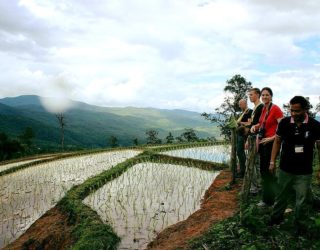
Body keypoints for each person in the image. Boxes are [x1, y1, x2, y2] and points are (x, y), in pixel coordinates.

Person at [269, 96, 320, 227]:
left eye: (297, 111)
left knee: (301, 199)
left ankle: (299, 225)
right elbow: (277, 141)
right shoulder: (284, 123)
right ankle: (275, 219)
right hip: (285, 168)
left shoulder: (314, 125)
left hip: (305, 170)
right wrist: (272, 162)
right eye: (291, 110)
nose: (293, 113)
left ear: (305, 109)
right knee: (281, 195)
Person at [250, 87, 283, 206]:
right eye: (263, 95)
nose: (264, 97)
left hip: (272, 145)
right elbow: (263, 123)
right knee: (264, 172)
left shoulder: (275, 109)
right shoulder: (264, 108)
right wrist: (256, 126)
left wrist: (272, 137)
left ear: (271, 96)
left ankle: (271, 199)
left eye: (267, 95)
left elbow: (283, 127)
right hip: (263, 143)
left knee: (268, 172)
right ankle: (270, 198)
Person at [246, 88, 264, 193]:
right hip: (253, 138)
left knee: (252, 162)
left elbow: (257, 125)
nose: (250, 97)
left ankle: (255, 188)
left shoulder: (260, 107)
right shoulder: (256, 108)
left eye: (251, 94)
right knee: (256, 163)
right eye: (249, 95)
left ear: (258, 95)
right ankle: (258, 186)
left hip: (256, 138)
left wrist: (249, 139)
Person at [236, 99, 252, 177]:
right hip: (240, 134)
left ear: (245, 104)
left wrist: (240, 123)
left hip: (244, 135)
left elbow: (249, 123)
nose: (239, 106)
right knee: (239, 153)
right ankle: (242, 170)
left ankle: (243, 171)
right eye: (239, 104)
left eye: (240, 104)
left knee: (240, 152)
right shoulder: (243, 112)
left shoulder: (249, 112)